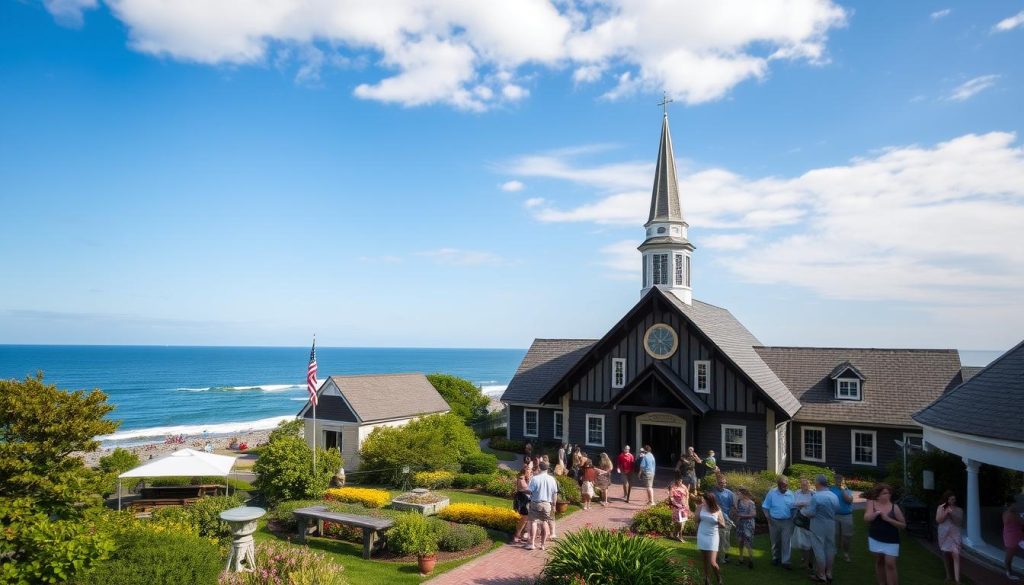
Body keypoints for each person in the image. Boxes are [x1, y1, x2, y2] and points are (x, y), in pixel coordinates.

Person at [864, 483, 906, 585]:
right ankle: (882, 583)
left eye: (889, 493)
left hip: (891, 539)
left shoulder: (894, 507)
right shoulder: (871, 503)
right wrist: (874, 515)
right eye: (885, 493)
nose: (888, 495)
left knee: (890, 564)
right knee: (879, 561)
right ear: (878, 495)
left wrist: (888, 519)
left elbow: (903, 525)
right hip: (875, 538)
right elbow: (866, 519)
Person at [801, 474, 839, 584]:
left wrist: (803, 511)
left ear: (818, 483)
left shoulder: (817, 496)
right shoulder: (833, 496)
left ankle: (821, 575)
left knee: (819, 549)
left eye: (815, 482)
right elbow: (836, 509)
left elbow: (811, 513)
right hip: (831, 524)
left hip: (818, 524)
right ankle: (829, 573)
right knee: (830, 548)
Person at [763, 475, 796, 568]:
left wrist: (793, 519)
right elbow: (765, 507)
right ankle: (775, 558)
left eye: (786, 486)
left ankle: (786, 561)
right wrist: (768, 519)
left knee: (786, 542)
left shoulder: (791, 494)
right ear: (778, 485)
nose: (785, 488)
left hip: (787, 521)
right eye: (783, 486)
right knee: (775, 541)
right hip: (773, 521)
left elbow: (794, 508)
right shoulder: (772, 493)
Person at [525, 460, 558, 551]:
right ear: (548, 468)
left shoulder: (535, 478)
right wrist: (554, 505)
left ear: (539, 467)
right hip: (547, 503)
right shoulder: (552, 479)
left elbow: (530, 491)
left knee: (534, 522)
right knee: (544, 522)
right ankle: (542, 545)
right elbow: (555, 494)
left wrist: (523, 490)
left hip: (536, 502)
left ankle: (532, 543)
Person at [697, 490, 727, 585]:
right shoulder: (701, 507)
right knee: (705, 561)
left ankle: (719, 578)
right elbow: (696, 520)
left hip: (712, 536)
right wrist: (697, 511)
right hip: (702, 534)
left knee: (712, 562)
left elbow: (723, 525)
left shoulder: (717, 509)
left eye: (704, 499)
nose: (702, 500)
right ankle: (707, 580)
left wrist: (717, 521)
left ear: (709, 500)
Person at [935, 490, 963, 584]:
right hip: (944, 533)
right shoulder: (941, 507)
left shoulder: (959, 509)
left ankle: (957, 579)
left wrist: (952, 513)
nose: (953, 501)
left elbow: (958, 522)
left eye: (954, 499)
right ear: (947, 499)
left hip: (955, 533)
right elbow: (939, 520)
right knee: (946, 554)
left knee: (956, 553)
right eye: (951, 499)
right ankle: (948, 575)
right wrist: (946, 512)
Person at [830, 474, 855, 562]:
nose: (838, 481)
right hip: (835, 516)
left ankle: (846, 553)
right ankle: (835, 550)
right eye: (837, 479)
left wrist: (842, 490)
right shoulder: (831, 489)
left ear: (842, 480)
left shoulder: (846, 490)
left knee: (846, 537)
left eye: (840, 479)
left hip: (847, 516)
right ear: (834, 480)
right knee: (835, 535)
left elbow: (849, 500)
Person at [792, 477, 815, 572]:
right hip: (800, 519)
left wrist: (802, 504)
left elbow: (813, 505)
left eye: (805, 484)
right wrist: (803, 504)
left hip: (810, 520)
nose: (803, 486)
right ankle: (805, 560)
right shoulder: (797, 492)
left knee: (810, 542)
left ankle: (810, 562)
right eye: (802, 484)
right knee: (801, 541)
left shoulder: (813, 494)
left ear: (809, 485)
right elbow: (794, 503)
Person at [713, 474, 736, 564]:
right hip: (717, 519)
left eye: (724, 483)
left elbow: (733, 506)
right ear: (717, 483)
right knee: (720, 539)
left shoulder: (729, 493)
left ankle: (724, 556)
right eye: (720, 483)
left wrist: (730, 516)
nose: (722, 484)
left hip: (727, 519)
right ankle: (721, 558)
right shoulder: (713, 493)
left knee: (726, 539)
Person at [1002, 493, 1024, 581]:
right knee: (1009, 557)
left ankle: (1009, 572)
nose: (1016, 506)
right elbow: (1022, 522)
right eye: (1014, 504)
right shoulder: (1013, 514)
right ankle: (1009, 573)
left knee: (1009, 556)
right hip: (1014, 538)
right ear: (1011, 505)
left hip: (1011, 537)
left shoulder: (1005, 513)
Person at [735, 487, 757, 569]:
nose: (737, 495)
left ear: (743, 494)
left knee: (748, 542)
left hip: (748, 525)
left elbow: (753, 514)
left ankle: (751, 559)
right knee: (740, 541)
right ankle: (741, 558)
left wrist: (742, 516)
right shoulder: (738, 501)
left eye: (739, 494)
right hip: (740, 524)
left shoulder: (751, 503)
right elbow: (736, 511)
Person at [513, 465, 532, 543]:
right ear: (526, 470)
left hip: (526, 499)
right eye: (530, 470)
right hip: (522, 499)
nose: (531, 472)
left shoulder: (526, 477)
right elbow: (524, 489)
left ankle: (524, 533)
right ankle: (517, 535)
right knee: (524, 518)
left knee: (527, 518)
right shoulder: (521, 478)